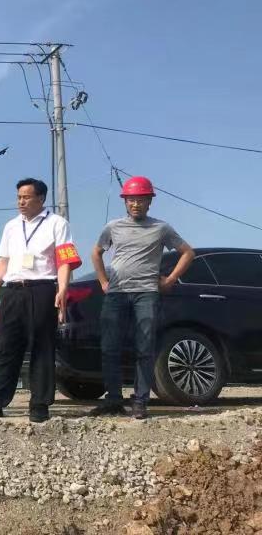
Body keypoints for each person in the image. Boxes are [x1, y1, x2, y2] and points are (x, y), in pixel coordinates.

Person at [0, 178, 81, 423]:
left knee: (42, 347)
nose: (21, 202)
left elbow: (65, 260)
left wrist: (62, 288)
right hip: (13, 291)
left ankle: (40, 404)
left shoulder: (57, 223)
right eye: (19, 197)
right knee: (7, 347)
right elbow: (3, 261)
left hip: (42, 289)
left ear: (41, 198)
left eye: (26, 197)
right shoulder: (11, 226)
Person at [89, 176, 194, 420]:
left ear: (149, 202)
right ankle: (113, 400)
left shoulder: (161, 228)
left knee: (145, 348)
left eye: (141, 200)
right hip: (116, 294)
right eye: (131, 200)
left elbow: (188, 253)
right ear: (125, 202)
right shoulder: (113, 227)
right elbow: (96, 253)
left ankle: (140, 401)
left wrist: (170, 280)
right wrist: (103, 281)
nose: (135, 204)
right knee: (110, 348)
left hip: (146, 293)